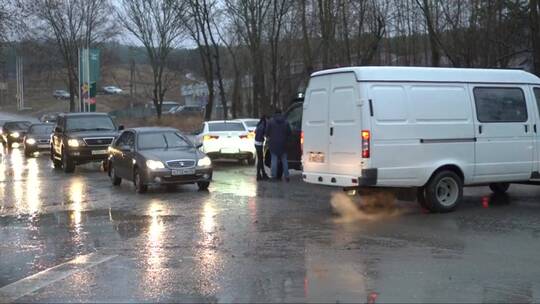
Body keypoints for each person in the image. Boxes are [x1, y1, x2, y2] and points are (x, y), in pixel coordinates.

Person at [265, 109, 292, 182]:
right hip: (283, 144)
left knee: (274, 160)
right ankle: (287, 176)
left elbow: (266, 133)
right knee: (284, 161)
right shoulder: (286, 122)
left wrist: (269, 138)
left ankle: (273, 176)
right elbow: (290, 133)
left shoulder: (270, 122)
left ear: (275, 113)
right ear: (281, 113)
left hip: (273, 144)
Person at [254, 115, 269, 181]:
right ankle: (258, 175)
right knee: (260, 160)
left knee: (260, 159)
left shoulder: (259, 125)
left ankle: (262, 174)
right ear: (265, 119)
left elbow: (255, 132)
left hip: (256, 143)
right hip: (259, 143)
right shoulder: (263, 126)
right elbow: (266, 134)